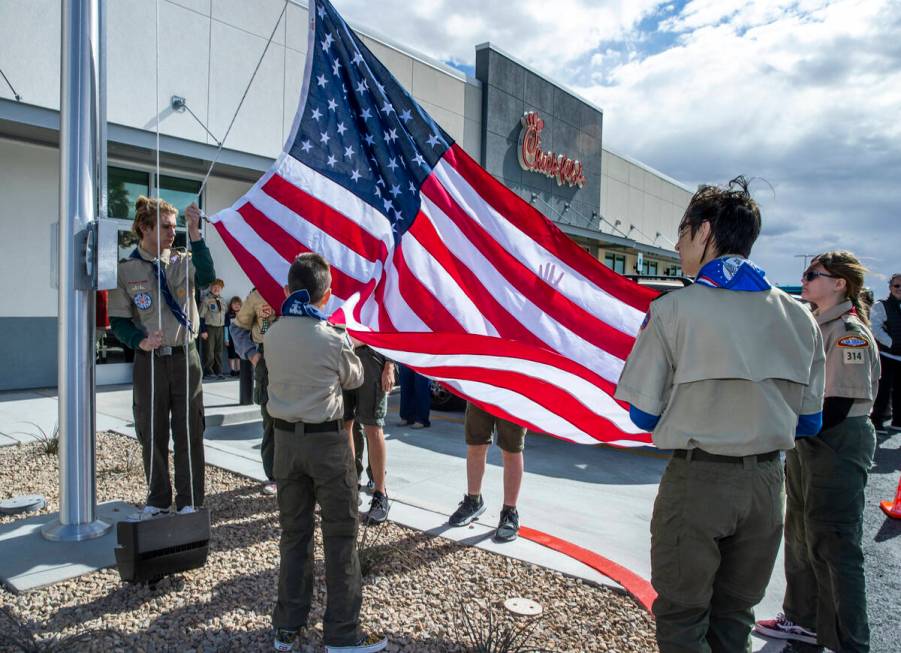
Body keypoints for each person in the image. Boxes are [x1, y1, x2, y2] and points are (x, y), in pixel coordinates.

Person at [614, 177, 826, 653]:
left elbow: (642, 416)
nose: (676, 242)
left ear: (705, 231)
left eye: (683, 230)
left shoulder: (674, 310)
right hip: (767, 484)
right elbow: (810, 422)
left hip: (700, 482)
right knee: (735, 615)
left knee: (684, 615)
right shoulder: (800, 316)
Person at [756, 251, 880, 653]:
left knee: (835, 542)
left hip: (837, 440)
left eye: (813, 274)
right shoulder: (815, 324)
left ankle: (849, 642)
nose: (805, 280)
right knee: (800, 533)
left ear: (840, 283)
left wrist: (787, 427)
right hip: (811, 438)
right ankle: (803, 619)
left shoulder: (849, 333)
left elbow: (841, 402)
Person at [265, 253, 387, 653]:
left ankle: (287, 626)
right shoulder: (332, 337)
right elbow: (355, 376)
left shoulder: (273, 333)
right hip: (327, 445)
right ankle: (341, 633)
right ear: (326, 295)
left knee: (293, 535)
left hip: (286, 443)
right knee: (340, 536)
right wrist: (344, 338)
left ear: (288, 291)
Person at [108, 196, 216, 518]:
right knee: (151, 430)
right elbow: (119, 321)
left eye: (175, 226)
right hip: (150, 361)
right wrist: (139, 340)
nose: (173, 232)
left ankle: (189, 500)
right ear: (144, 227)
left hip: (186, 357)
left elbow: (208, 276)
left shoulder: (184, 260)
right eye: (166, 226)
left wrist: (195, 232)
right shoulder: (126, 271)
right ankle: (157, 499)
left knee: (190, 431)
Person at [447, 402, 526, 542]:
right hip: (481, 390)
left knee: (512, 449)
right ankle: (473, 501)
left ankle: (510, 512)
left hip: (513, 391)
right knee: (476, 443)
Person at [229, 288, 278, 495]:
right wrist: (252, 355)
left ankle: (298, 476)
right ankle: (274, 476)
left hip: (298, 358)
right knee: (271, 421)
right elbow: (238, 328)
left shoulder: (302, 284)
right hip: (267, 359)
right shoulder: (258, 293)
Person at [343, 345, 394, 523]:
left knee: (373, 427)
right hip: (341, 352)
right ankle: (350, 487)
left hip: (369, 356)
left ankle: (380, 494)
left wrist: (389, 365)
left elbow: (389, 326)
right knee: (345, 424)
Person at [870, 272, 901, 433]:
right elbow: (874, 328)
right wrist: (891, 343)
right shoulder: (880, 306)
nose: (900, 289)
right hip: (887, 355)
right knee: (883, 389)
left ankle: (897, 421)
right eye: (897, 285)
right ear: (890, 287)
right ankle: (877, 421)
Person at [199, 278, 226, 378]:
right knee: (209, 351)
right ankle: (209, 372)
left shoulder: (222, 300)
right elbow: (201, 316)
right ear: (211, 287)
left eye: (219, 287)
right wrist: (203, 330)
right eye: (215, 287)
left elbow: (224, 315)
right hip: (210, 328)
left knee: (219, 351)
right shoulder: (206, 300)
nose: (216, 289)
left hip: (220, 328)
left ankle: (219, 371)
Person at [224, 295, 242, 377]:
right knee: (231, 355)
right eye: (234, 304)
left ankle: (238, 370)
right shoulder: (228, 315)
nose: (236, 306)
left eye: (238, 304)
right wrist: (226, 339)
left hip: (240, 338)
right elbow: (226, 328)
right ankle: (232, 370)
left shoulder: (242, 314)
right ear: (231, 305)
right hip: (231, 339)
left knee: (238, 355)